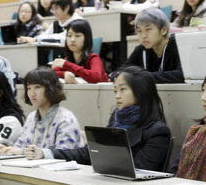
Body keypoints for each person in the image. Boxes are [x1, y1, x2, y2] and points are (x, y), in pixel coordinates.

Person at [27, 66, 171, 172]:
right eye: (115, 90)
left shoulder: (158, 131)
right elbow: (86, 153)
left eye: (123, 89)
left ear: (141, 92)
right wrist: (45, 153)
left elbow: (141, 170)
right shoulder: (116, 119)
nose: (117, 96)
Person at [0, 67, 82, 155]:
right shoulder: (31, 117)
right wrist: (7, 150)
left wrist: (23, 152)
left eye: (37, 87)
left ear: (51, 88)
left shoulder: (65, 119)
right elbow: (20, 146)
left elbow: (63, 155)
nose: (32, 93)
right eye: (29, 88)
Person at [124, 8, 184, 83]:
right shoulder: (141, 49)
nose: (143, 36)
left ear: (163, 30)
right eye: (139, 31)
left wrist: (144, 77)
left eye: (148, 29)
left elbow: (183, 74)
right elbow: (122, 73)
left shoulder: (178, 44)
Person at [51, 20, 108, 84]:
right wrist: (64, 73)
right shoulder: (68, 59)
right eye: (69, 36)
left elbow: (95, 77)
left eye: (77, 36)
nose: (72, 40)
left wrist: (69, 66)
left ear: (86, 39)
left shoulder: (93, 58)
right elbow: (52, 74)